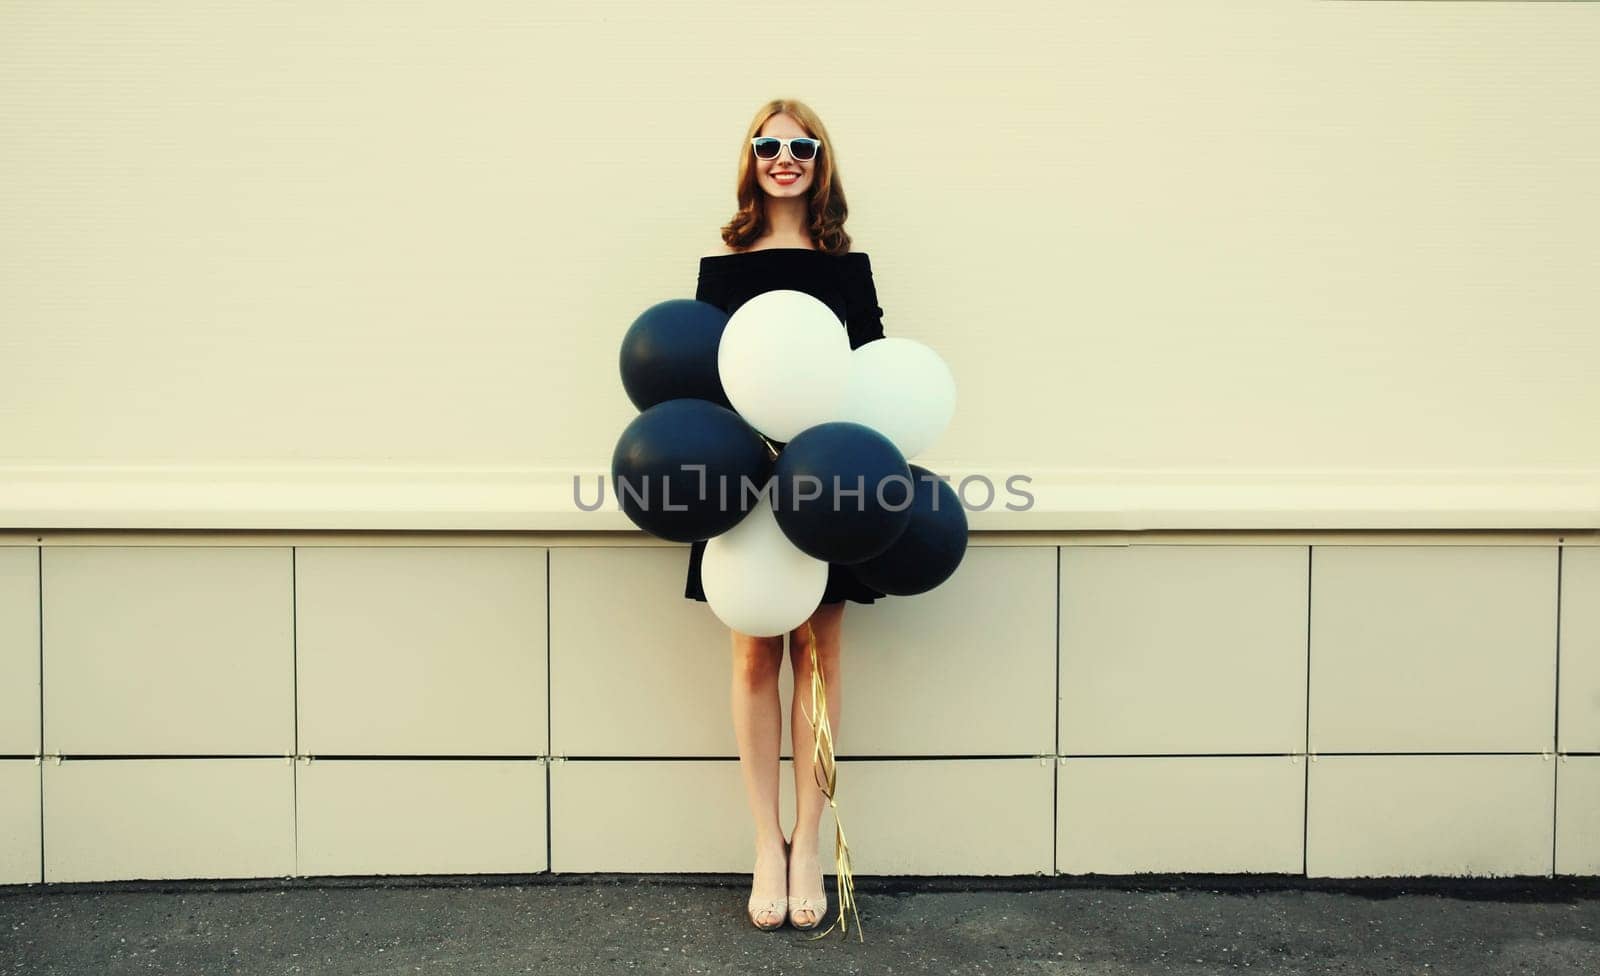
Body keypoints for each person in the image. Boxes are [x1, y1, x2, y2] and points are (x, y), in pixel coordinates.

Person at [682, 98, 888, 932]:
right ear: (752, 160)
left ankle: (811, 839)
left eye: (801, 146)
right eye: (769, 145)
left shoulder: (851, 269)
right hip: (740, 484)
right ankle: (765, 842)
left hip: (827, 480)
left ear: (820, 161)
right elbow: (701, 383)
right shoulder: (720, 270)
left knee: (822, 656)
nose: (785, 157)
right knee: (753, 658)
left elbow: (873, 377)